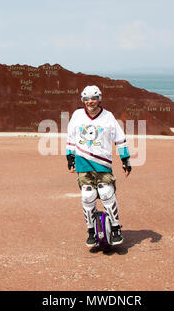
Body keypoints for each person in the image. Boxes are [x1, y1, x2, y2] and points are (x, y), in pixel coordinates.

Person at [66, 85, 131, 247]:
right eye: (87, 99)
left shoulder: (108, 117)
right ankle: (91, 231)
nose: (90, 102)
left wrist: (125, 160)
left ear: (99, 99)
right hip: (83, 163)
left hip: (102, 163)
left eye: (94, 98)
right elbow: (71, 137)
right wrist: (70, 158)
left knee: (106, 191)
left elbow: (120, 138)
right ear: (83, 100)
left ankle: (115, 228)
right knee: (87, 196)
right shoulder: (77, 115)